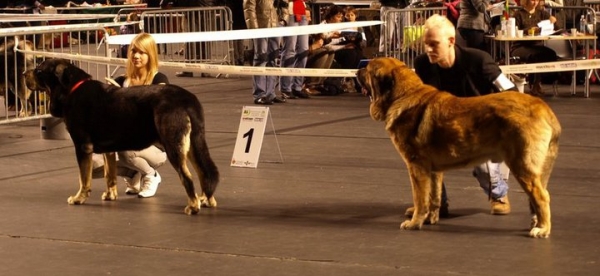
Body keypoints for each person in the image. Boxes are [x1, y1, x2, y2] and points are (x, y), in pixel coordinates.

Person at [412, 14, 516, 216]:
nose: (428, 50)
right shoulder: (422, 64)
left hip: (484, 126)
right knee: (420, 152)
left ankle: (499, 194)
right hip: (446, 125)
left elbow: (511, 92)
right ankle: (433, 204)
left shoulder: (479, 60)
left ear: (451, 41)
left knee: (484, 166)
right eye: (426, 44)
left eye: (434, 44)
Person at [94, 32, 168, 198]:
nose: (136, 56)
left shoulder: (159, 80)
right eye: (133, 51)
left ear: (151, 54)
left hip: (155, 146)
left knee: (126, 149)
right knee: (92, 165)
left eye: (142, 52)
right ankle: (132, 173)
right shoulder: (121, 80)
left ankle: (151, 174)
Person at [244, 0, 287, 105]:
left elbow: (284, 3)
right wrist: (254, 28)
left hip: (275, 24)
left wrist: (283, 20)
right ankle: (260, 94)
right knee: (261, 59)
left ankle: (270, 94)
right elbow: (249, 7)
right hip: (261, 26)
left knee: (273, 58)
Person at [511, 0, 558, 96]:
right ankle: (535, 84)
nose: (535, 3)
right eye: (533, 0)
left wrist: (553, 22)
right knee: (535, 56)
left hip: (536, 46)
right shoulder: (518, 14)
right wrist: (531, 30)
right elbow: (515, 32)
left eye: (537, 0)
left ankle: (539, 82)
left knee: (550, 54)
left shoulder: (542, 13)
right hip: (520, 46)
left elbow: (556, 27)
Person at [279, 0, 311, 99]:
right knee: (290, 50)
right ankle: (286, 88)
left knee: (304, 50)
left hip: (303, 11)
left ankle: (297, 87)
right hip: (290, 12)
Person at [225, 0, 248, 66]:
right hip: (240, 16)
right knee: (240, 40)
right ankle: (240, 59)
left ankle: (236, 59)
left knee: (235, 39)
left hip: (233, 16)